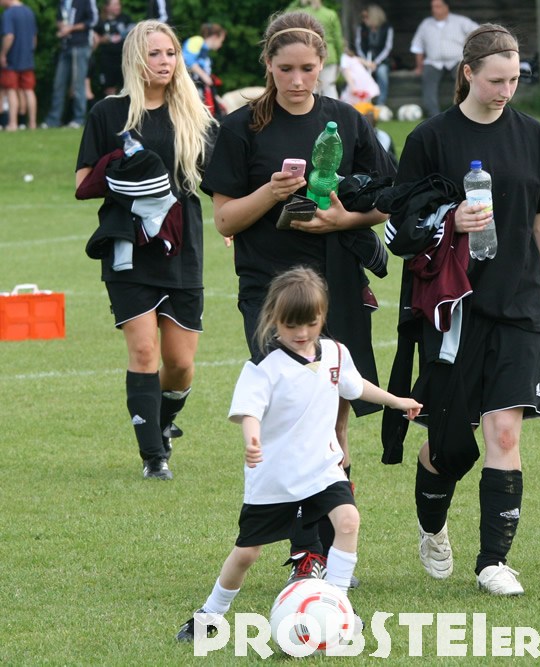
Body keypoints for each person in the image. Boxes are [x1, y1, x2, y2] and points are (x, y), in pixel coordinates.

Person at [200, 10, 396, 580]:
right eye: (285, 68)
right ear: (268, 64)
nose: (297, 79)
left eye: (308, 68)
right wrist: (271, 192)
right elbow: (225, 220)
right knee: (290, 417)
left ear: (322, 65)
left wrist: (342, 220)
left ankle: (327, 552)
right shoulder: (240, 127)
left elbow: (389, 199)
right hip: (269, 291)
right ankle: (306, 552)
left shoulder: (347, 121)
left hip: (337, 284)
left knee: (334, 424)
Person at [385, 23, 540, 596]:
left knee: (505, 433)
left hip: (518, 305)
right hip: (452, 312)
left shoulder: (536, 136)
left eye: (514, 80)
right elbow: (399, 230)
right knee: (449, 447)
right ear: (467, 73)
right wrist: (450, 220)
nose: (506, 91)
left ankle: (493, 561)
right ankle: (432, 527)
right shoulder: (430, 138)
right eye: (496, 80)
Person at [176, 266, 421, 641]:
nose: (302, 333)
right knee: (247, 554)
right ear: (274, 319)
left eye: (310, 323)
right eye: (292, 325)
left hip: (323, 469)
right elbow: (249, 410)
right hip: (275, 478)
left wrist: (396, 401)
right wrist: (252, 439)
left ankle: (336, 606)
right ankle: (210, 614)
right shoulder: (264, 367)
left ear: (322, 316)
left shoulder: (335, 353)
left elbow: (355, 386)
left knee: (348, 521)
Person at [75, 20, 215, 480]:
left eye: (171, 53)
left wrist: (233, 223)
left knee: (180, 364)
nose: (165, 61)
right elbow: (83, 182)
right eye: (155, 53)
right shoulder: (109, 113)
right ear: (136, 58)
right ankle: (154, 458)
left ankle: (163, 422)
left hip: (183, 245)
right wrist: (123, 166)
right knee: (142, 352)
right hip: (129, 247)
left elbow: (216, 180)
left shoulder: (192, 112)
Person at [409, 0, 477, 117]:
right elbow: (417, 46)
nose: (434, 9)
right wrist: (419, 67)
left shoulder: (460, 21)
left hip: (457, 60)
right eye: (433, 7)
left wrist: (472, 57)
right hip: (433, 62)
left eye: (438, 6)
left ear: (446, 7)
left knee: (463, 81)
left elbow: (478, 34)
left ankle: (461, 112)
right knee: (428, 81)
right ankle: (434, 115)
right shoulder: (426, 24)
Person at [43, 0, 97, 129]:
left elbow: (93, 20)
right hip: (65, 45)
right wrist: (61, 27)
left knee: (78, 84)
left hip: (80, 45)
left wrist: (71, 28)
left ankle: (79, 118)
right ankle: (54, 119)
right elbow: (59, 18)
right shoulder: (63, 2)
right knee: (59, 84)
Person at [286, 0, 343, 99]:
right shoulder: (331, 14)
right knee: (329, 87)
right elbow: (338, 39)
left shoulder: (304, 13)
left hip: (308, 53)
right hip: (329, 54)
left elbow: (286, 17)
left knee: (311, 87)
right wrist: (340, 59)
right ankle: (333, 109)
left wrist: (298, 2)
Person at [0, 0, 38, 131]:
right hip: (27, 59)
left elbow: (9, 36)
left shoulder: (8, 14)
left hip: (12, 59)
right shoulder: (29, 12)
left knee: (11, 90)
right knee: (29, 90)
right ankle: (32, 123)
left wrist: (3, 54)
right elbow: (34, 38)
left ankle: (13, 123)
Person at [182, 22, 226, 118]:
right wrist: (204, 75)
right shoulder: (197, 40)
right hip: (191, 87)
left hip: (200, 88)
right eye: (221, 41)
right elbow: (187, 58)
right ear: (215, 37)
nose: (221, 44)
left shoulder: (205, 52)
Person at [353, 3, 392, 105]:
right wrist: (366, 61)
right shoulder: (361, 28)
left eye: (366, 17)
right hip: (365, 60)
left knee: (382, 72)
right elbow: (358, 45)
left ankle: (380, 103)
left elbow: (387, 47)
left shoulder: (387, 28)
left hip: (381, 60)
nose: (364, 19)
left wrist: (376, 62)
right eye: (363, 17)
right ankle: (362, 102)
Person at [92, 0, 132, 98]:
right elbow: (94, 39)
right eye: (114, 5)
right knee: (109, 89)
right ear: (107, 7)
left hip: (123, 59)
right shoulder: (100, 21)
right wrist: (102, 39)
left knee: (127, 87)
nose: (118, 7)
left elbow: (133, 34)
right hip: (107, 60)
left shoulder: (125, 18)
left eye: (118, 4)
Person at [352, 100, 395, 166]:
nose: (371, 118)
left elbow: (392, 165)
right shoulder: (351, 138)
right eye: (366, 115)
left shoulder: (384, 137)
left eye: (372, 114)